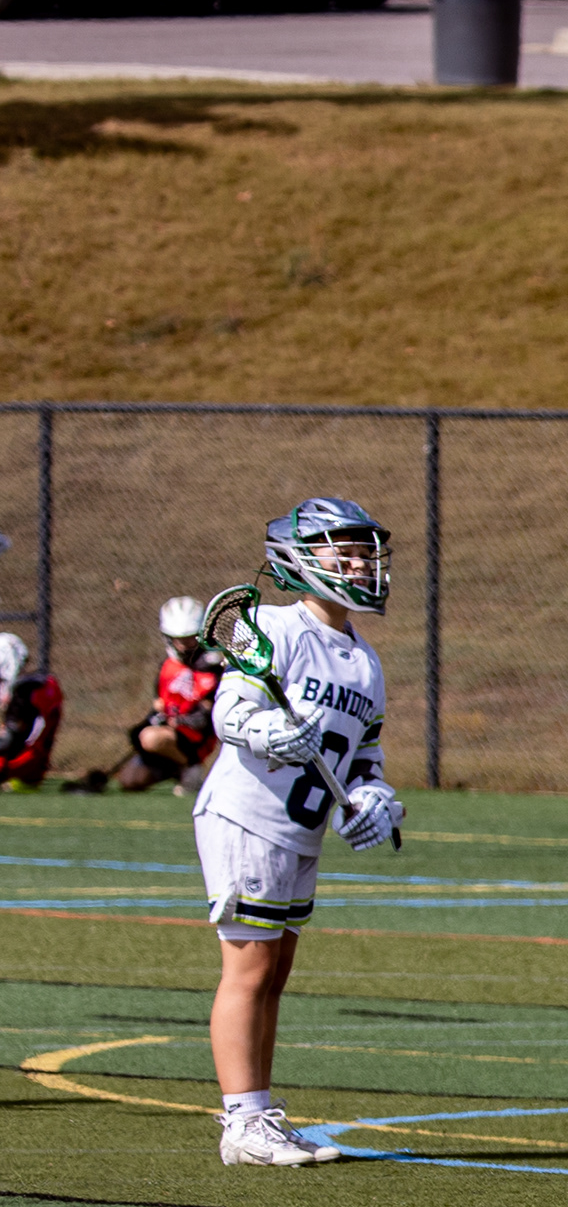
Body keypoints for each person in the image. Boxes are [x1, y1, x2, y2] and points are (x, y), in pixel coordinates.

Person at [190, 499, 403, 1167]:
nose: (361, 565)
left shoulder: (365, 661)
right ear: (301, 558)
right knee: (249, 967)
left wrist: (373, 799)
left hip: (298, 829)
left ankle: (260, 1113)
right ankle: (242, 1122)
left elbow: (364, 758)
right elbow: (230, 710)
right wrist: (269, 732)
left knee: (275, 971)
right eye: (347, 552)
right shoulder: (275, 627)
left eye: (366, 554)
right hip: (247, 813)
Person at [67, 597, 224, 793]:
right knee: (130, 781)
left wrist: (177, 722)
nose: (184, 645)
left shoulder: (212, 667)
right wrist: (152, 721)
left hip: (194, 739)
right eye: (179, 639)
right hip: (170, 735)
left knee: (151, 738)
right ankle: (177, 768)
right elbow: (160, 704)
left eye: (190, 638)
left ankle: (192, 768)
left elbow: (206, 716)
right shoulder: (168, 667)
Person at [0, 633, 60, 789]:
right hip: (31, 769)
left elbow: (9, 739)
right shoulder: (43, 686)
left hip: (20, 764)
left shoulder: (25, 692)